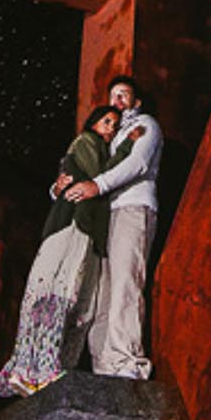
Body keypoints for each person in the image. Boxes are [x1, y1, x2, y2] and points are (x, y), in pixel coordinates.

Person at [0, 102, 143, 397]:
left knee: (80, 303)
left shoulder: (98, 148)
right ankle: (32, 370)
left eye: (114, 124)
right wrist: (127, 146)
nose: (110, 128)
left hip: (88, 232)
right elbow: (98, 175)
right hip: (72, 226)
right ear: (92, 123)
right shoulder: (86, 143)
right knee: (57, 293)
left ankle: (50, 371)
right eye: (106, 121)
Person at [60, 76, 162, 380]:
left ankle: (127, 360)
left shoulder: (145, 125)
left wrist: (98, 185)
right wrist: (61, 185)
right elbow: (88, 168)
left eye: (124, 95)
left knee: (125, 283)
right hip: (106, 217)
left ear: (136, 101)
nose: (117, 101)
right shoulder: (109, 136)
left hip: (132, 208)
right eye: (113, 96)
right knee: (102, 292)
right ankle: (105, 365)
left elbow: (137, 164)